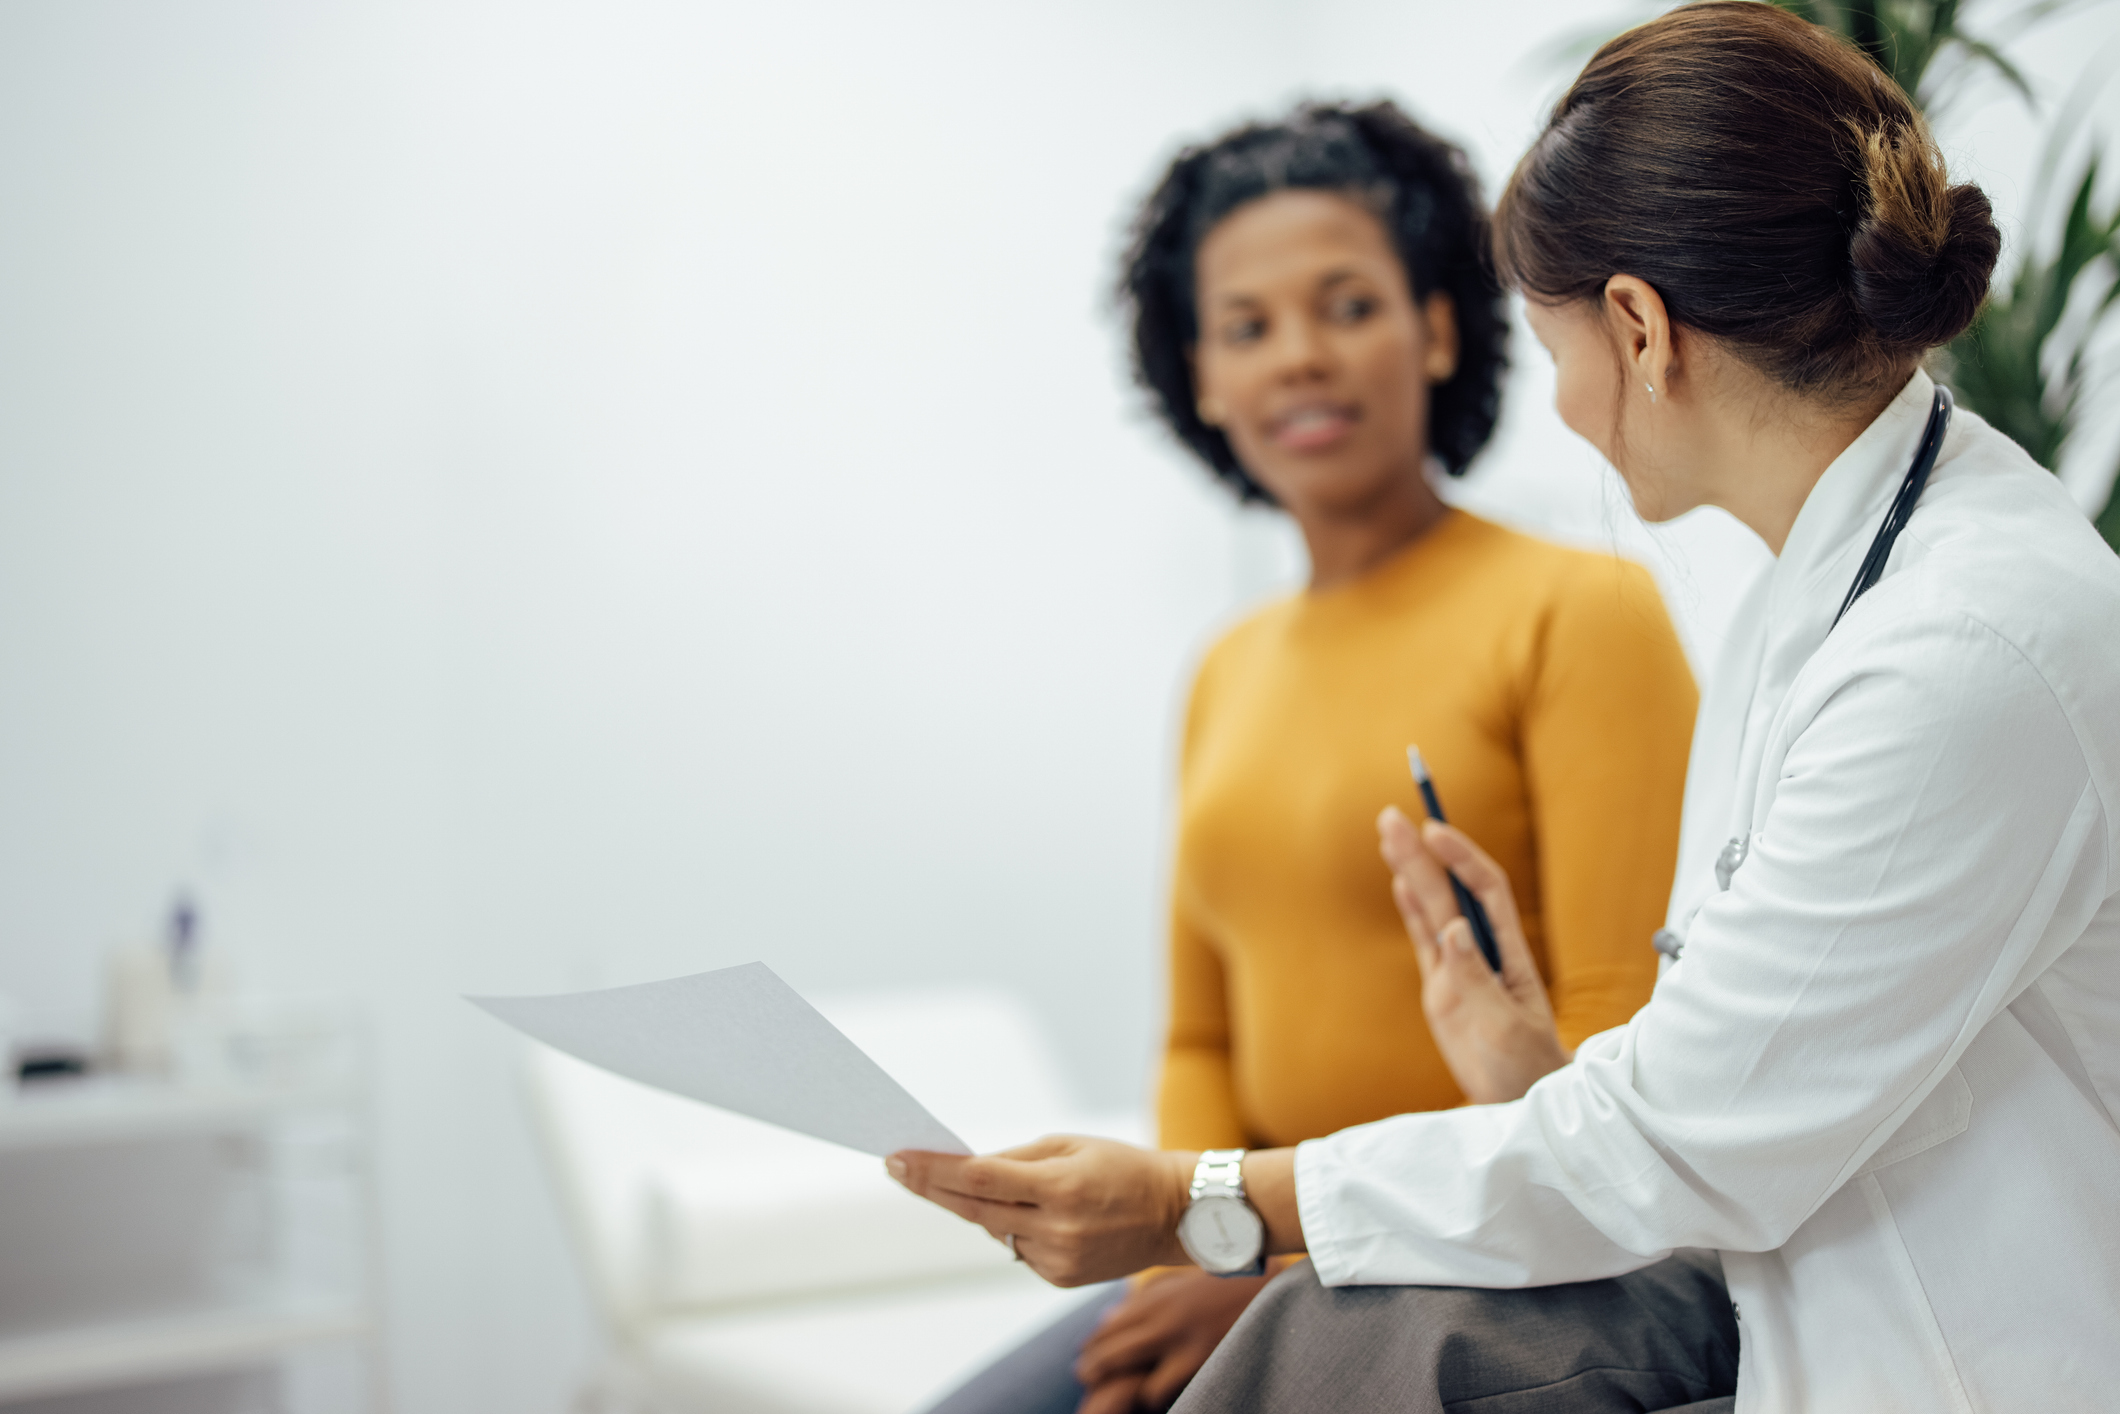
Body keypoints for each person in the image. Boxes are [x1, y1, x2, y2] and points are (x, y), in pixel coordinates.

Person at [889, 5, 2120, 1412]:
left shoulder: (1958, 645)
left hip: (1949, 1353)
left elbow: (1676, 1141)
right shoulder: (1825, 600)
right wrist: (1528, 1073)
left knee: (1333, 1351)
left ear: (1641, 330)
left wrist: (1198, 1202)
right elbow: (1715, 1083)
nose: (1569, 408)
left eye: (1556, 353)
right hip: (1758, 1273)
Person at [919, 103, 1698, 1414]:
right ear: (1202, 376)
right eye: (1248, 327)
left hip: (1451, 1251)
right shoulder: (1225, 669)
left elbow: (1615, 1054)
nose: (1299, 360)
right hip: (1228, 1242)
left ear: (1437, 328)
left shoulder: (1584, 614)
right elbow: (1200, 1028)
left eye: (1347, 305)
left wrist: (1261, 1246)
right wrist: (1184, 1240)